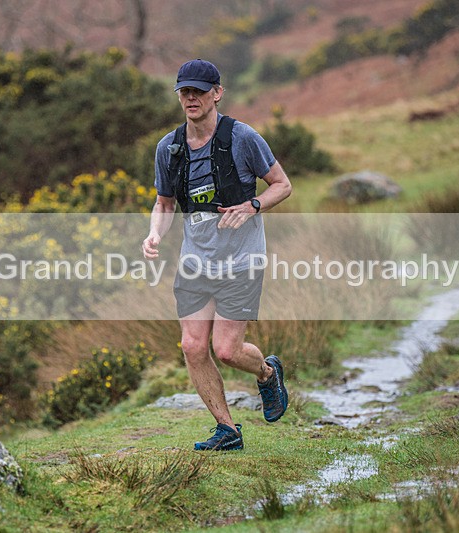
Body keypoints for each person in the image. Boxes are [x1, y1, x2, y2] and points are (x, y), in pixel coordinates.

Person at [141, 59, 293, 451]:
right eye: (184, 91)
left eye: (198, 91)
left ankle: (266, 372)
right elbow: (164, 203)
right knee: (193, 346)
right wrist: (154, 233)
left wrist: (252, 206)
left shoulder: (243, 138)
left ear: (217, 93)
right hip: (196, 261)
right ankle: (227, 430)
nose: (190, 98)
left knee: (227, 351)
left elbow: (282, 184)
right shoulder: (169, 148)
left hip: (242, 260)